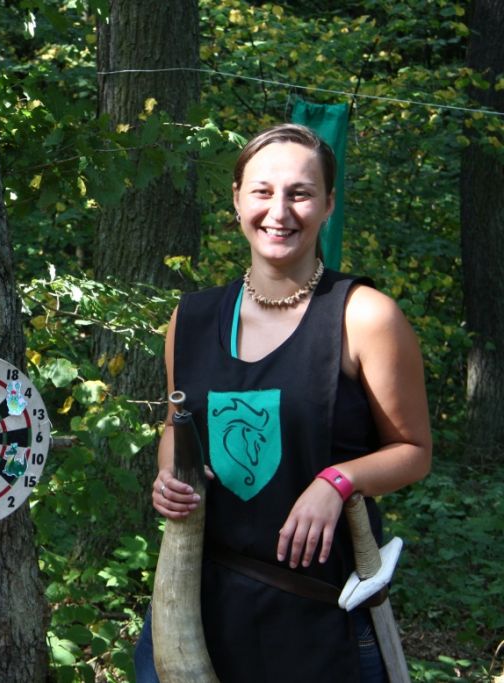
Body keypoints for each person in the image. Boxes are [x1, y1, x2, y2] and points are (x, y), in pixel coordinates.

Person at [134, 123, 432, 682]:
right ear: (237, 199)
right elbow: (179, 425)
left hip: (320, 617)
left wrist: (337, 481)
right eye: (262, 191)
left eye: (300, 193)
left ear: (329, 204)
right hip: (194, 613)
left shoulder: (365, 316)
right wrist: (171, 475)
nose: (279, 211)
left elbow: (413, 450)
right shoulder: (191, 318)